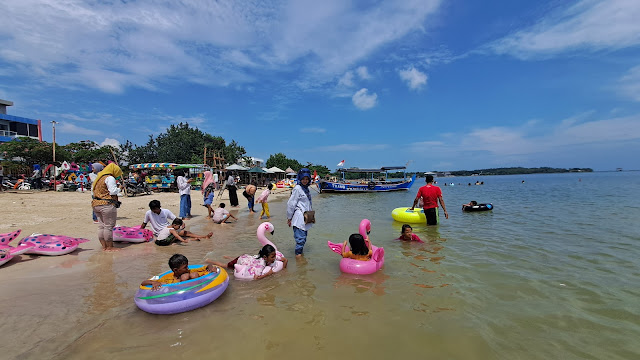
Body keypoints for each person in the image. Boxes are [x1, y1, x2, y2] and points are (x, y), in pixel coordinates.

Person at [207, 244, 287, 280]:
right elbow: (256, 278)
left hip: (247, 258)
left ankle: (228, 257)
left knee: (234, 259)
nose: (274, 258)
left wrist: (284, 270)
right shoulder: (261, 264)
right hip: (241, 260)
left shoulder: (273, 256)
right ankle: (210, 261)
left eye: (275, 256)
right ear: (265, 257)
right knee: (225, 266)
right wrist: (268, 274)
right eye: (272, 257)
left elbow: (285, 260)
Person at [91, 163, 123, 251]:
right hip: (106, 204)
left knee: (101, 226)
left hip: (96, 204)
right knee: (108, 226)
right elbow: (113, 192)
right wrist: (120, 188)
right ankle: (109, 247)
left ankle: (104, 246)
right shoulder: (109, 178)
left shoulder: (99, 177)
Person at [142, 254, 219, 290]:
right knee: (184, 277)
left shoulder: (191, 271)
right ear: (175, 270)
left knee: (194, 274)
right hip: (181, 295)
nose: (187, 268)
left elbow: (208, 265)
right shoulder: (168, 280)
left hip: (200, 290)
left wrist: (211, 268)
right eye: (185, 267)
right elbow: (143, 282)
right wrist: (153, 283)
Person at [287, 168, 313, 257]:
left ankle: (300, 257)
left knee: (304, 237)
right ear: (300, 178)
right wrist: (289, 217)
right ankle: (298, 256)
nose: (305, 181)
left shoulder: (306, 189)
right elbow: (291, 204)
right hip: (299, 217)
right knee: (300, 239)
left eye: (307, 179)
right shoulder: (297, 188)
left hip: (306, 216)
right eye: (303, 179)